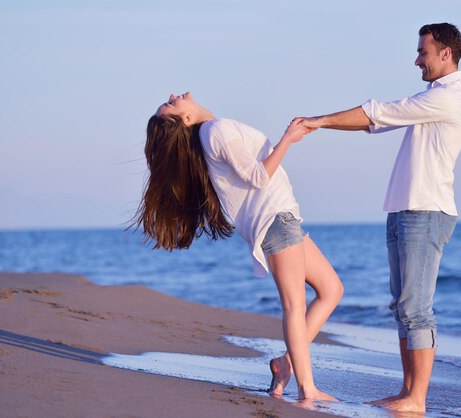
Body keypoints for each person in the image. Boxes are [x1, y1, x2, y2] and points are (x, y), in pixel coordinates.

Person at [299, 23, 461, 413]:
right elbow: (380, 120)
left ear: (445, 53)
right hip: (404, 209)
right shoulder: (434, 96)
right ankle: (407, 391)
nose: (417, 60)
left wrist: (319, 121)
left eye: (422, 52)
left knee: (417, 308)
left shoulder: (451, 98)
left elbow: (382, 113)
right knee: (403, 306)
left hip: (426, 212)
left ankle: (417, 399)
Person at [134, 92, 343, 401]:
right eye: (172, 104)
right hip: (273, 220)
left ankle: (285, 365)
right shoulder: (215, 131)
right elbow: (258, 177)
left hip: (283, 216)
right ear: (187, 119)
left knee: (331, 289)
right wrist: (289, 138)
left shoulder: (211, 133)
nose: (173, 96)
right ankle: (307, 389)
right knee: (294, 306)